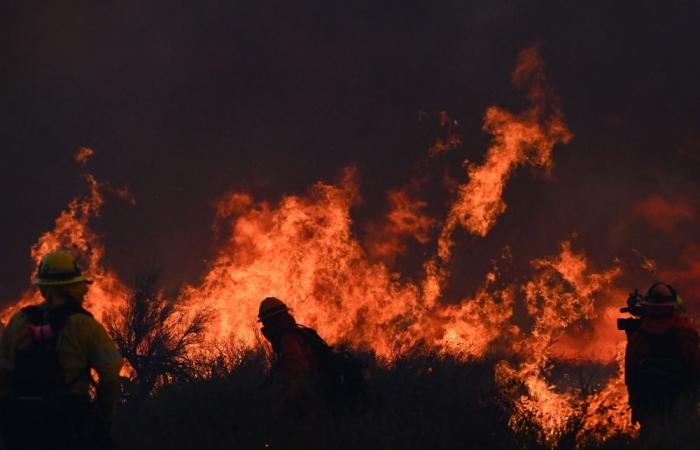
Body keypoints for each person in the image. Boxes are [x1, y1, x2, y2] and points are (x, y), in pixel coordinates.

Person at [0, 251, 123, 450]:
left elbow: (3, 376)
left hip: (22, 427)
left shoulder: (18, 322)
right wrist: (101, 415)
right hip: (68, 426)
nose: (84, 291)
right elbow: (110, 376)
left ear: (42, 287)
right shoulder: (84, 325)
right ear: (72, 288)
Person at [624, 282, 700, 433]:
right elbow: (695, 373)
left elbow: (631, 378)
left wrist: (637, 409)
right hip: (681, 411)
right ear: (673, 308)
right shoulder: (685, 336)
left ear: (647, 309)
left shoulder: (639, 339)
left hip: (649, 413)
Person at [258, 297, 324, 412]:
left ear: (273, 321)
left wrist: (288, 401)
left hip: (315, 394)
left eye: (266, 322)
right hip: (321, 388)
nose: (264, 326)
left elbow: (300, 370)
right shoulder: (301, 332)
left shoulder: (287, 339)